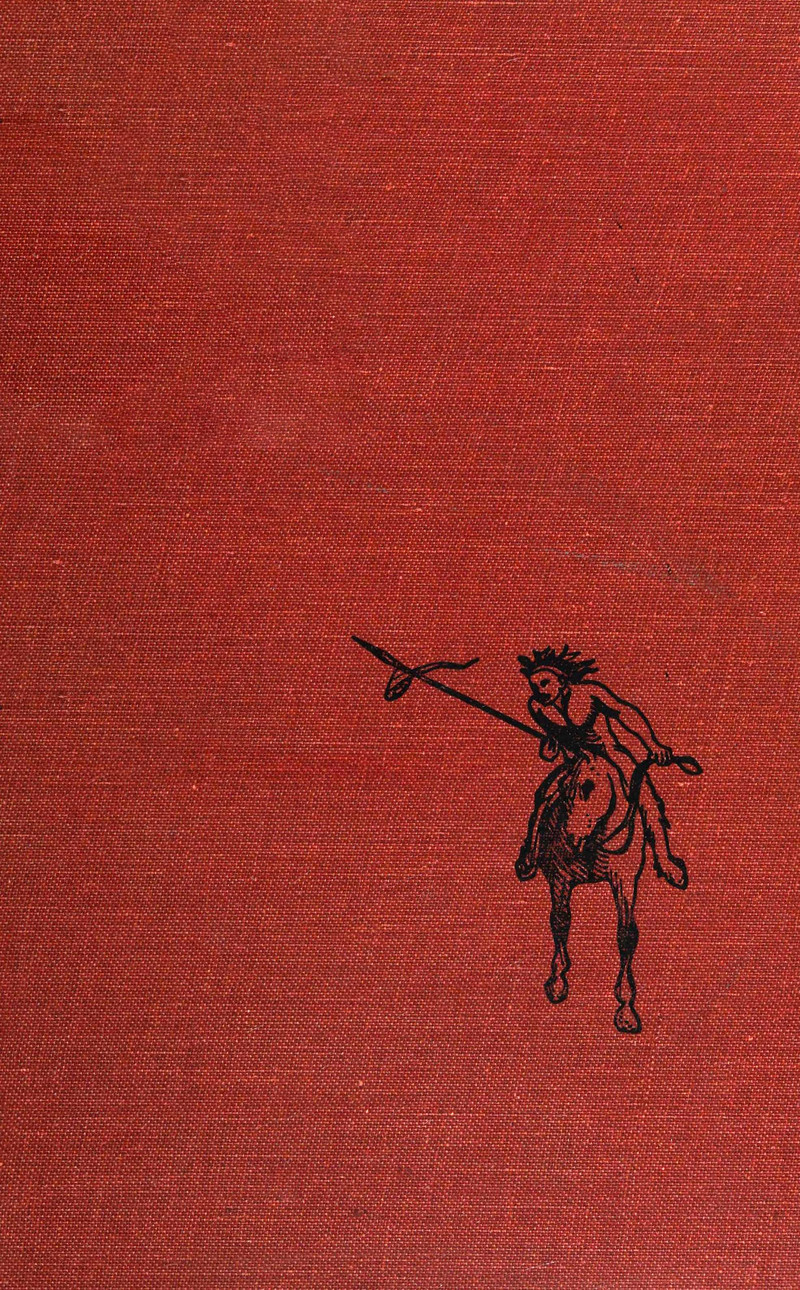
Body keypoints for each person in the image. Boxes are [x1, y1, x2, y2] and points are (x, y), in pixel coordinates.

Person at [518, 646, 688, 889]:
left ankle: (664, 858)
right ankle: (531, 851)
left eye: (545, 683)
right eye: (535, 687)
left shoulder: (589, 693)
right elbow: (552, 743)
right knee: (543, 796)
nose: (540, 691)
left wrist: (653, 745)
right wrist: (551, 744)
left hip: (610, 755)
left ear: (562, 681)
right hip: (578, 761)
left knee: (645, 797)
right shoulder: (537, 707)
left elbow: (625, 713)